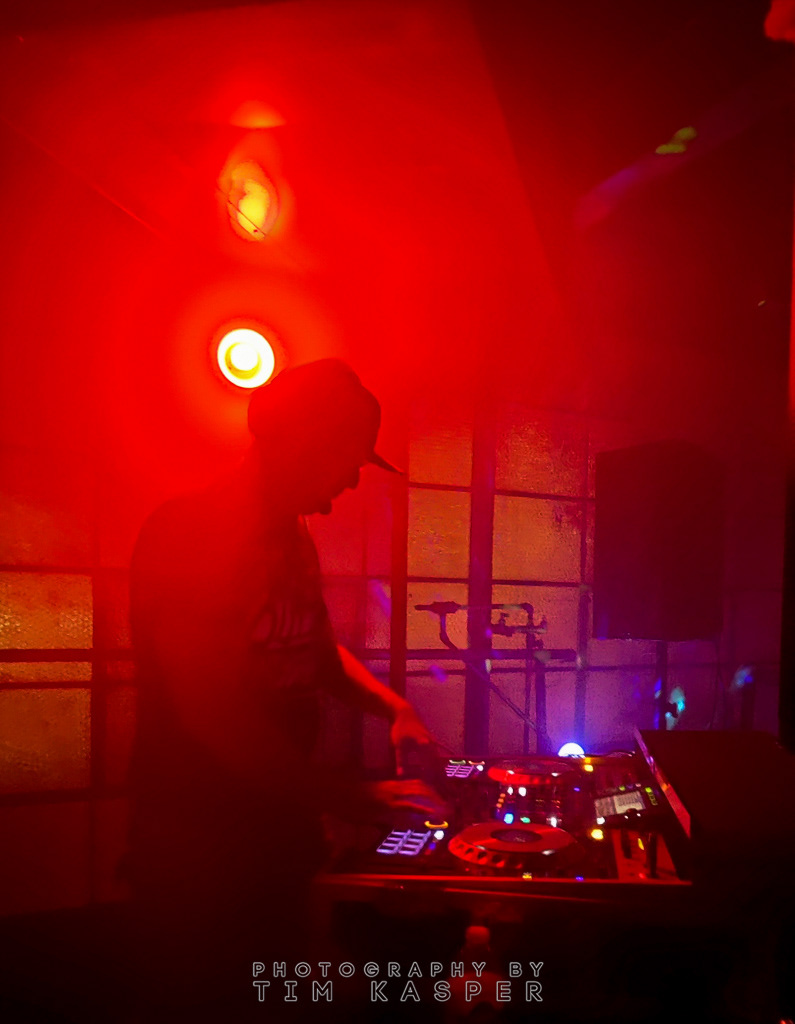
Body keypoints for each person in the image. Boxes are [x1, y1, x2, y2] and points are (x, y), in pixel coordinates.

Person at [123, 358, 445, 1021]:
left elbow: (318, 654)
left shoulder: (291, 538)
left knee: (278, 989)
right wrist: (351, 797)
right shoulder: (192, 534)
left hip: (274, 824)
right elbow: (210, 711)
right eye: (349, 458)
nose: (353, 479)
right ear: (302, 443)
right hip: (196, 841)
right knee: (209, 996)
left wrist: (396, 708)